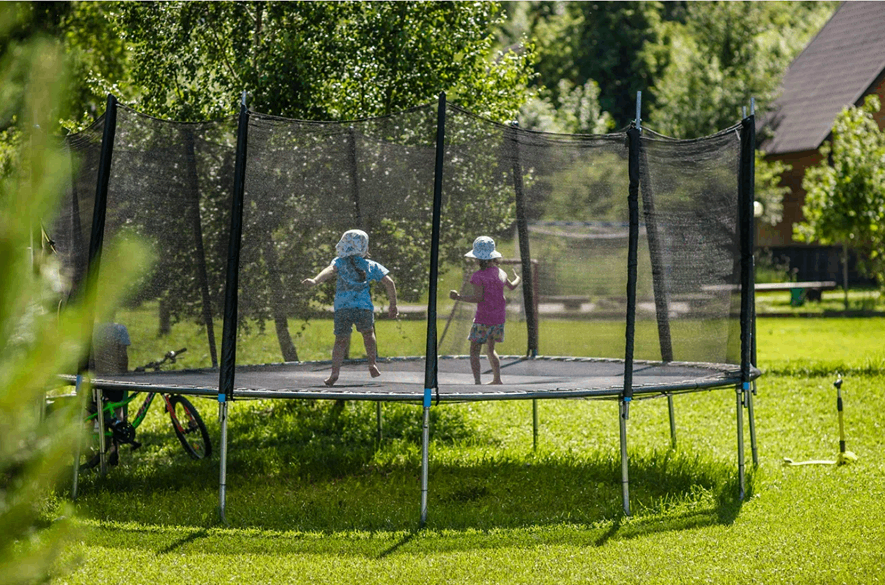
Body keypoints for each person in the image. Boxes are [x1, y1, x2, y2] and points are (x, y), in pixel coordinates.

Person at [302, 229, 398, 386]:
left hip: (343, 308)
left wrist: (315, 280)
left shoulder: (339, 262)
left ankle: (334, 373)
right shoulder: (370, 265)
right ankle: (372, 363)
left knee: (340, 340)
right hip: (363, 308)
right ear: (364, 247)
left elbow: (329, 271)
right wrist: (393, 305)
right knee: (368, 334)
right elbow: (390, 283)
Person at [449, 236, 521, 385]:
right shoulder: (501, 272)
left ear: (479, 259)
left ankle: (477, 382)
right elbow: (512, 286)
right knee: (491, 349)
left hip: (483, 319)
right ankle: (497, 379)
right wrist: (518, 278)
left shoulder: (478, 276)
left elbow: (478, 297)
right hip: (498, 319)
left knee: (474, 351)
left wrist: (458, 297)